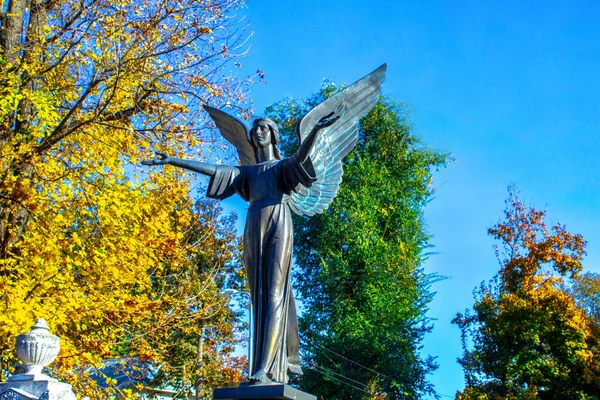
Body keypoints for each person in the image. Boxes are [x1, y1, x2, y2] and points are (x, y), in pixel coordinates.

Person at [142, 113, 338, 384]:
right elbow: (215, 169)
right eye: (255, 130)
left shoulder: (281, 167)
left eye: (263, 129)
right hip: (253, 224)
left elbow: (299, 160)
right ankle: (262, 366)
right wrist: (174, 161)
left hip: (278, 221)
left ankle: (266, 368)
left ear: (272, 135)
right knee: (259, 296)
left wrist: (314, 131)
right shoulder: (247, 173)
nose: (257, 133)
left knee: (274, 292)